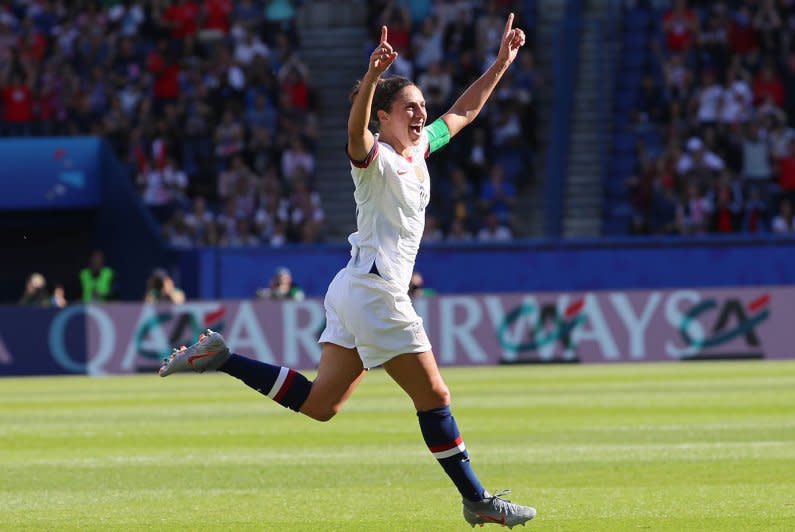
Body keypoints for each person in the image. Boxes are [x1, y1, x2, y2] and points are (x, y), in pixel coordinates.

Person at [159, 16, 535, 528]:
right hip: (376, 291)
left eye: (423, 105)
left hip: (354, 287)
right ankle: (477, 498)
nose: (422, 113)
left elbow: (464, 112)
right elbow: (355, 133)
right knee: (436, 397)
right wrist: (372, 75)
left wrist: (499, 65)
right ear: (385, 115)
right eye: (410, 107)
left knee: (321, 405)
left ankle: (223, 358)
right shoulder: (375, 156)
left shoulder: (419, 150)